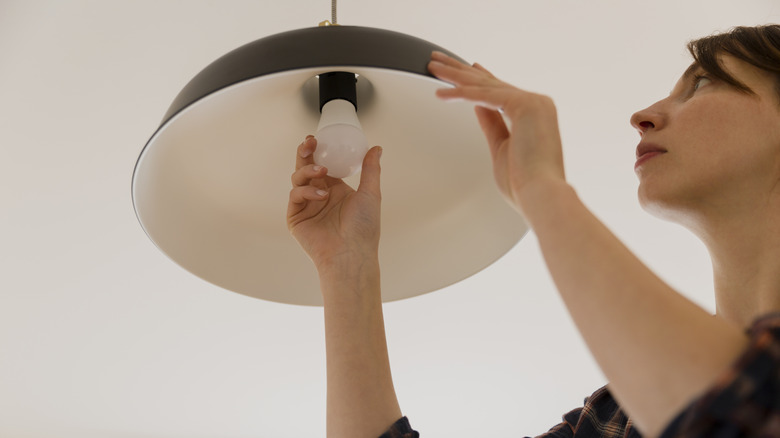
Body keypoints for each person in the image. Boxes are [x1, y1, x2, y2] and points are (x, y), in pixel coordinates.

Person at [286, 24, 780, 437]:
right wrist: (346, 265)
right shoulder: (619, 417)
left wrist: (542, 190)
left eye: (702, 84)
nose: (643, 116)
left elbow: (739, 412)